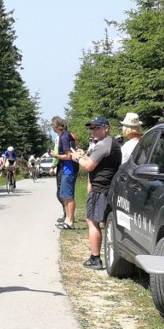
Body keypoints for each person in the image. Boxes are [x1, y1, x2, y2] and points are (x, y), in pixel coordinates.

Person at [70, 117, 122, 270]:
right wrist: (83, 155)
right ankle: (107, 256)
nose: (93, 131)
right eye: (91, 128)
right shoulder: (109, 144)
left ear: (106, 128)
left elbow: (89, 166)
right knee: (104, 222)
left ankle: (95, 258)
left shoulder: (103, 145)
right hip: (107, 187)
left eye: (96, 128)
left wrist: (77, 158)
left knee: (92, 222)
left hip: (99, 189)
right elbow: (94, 161)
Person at [50, 116, 79, 230]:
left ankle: (70, 221)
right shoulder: (64, 135)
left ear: (56, 126)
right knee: (65, 196)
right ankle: (67, 219)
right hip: (66, 168)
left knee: (68, 196)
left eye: (52, 125)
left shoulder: (64, 137)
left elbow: (68, 156)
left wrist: (55, 155)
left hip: (69, 168)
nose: (52, 127)